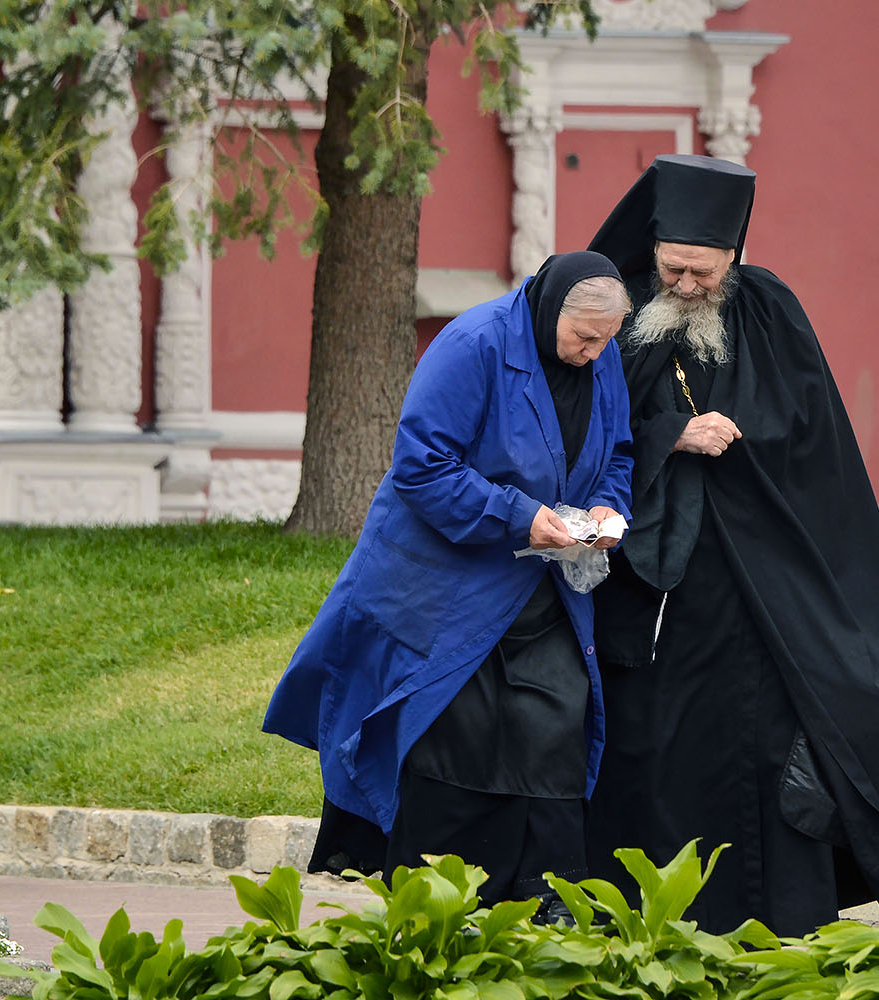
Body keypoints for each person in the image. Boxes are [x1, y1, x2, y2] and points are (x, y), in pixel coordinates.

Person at [582, 154, 879, 936]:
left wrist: (738, 445)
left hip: (763, 578)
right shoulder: (619, 312)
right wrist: (671, 435)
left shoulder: (768, 309)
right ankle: (653, 919)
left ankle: (778, 916)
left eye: (702, 271)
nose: (685, 286)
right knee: (657, 750)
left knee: (777, 739)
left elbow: (812, 440)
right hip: (657, 587)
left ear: (733, 256)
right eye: (673, 268)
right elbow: (589, 429)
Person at [262, 251, 634, 918]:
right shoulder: (473, 344)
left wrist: (607, 505)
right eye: (585, 338)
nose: (596, 354)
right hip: (448, 590)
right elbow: (422, 467)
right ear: (552, 314)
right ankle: (437, 909)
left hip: (542, 594)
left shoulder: (603, 359)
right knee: (448, 737)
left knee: (556, 727)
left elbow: (619, 452)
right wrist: (520, 516)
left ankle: (543, 899)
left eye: (607, 341)